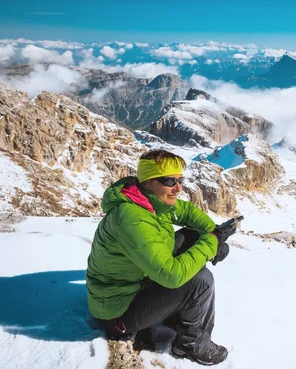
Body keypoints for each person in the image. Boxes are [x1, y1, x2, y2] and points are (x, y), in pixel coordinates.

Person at [86, 149, 236, 365]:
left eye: (179, 180)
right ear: (147, 182)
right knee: (200, 281)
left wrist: (214, 234)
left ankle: (177, 312)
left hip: (135, 286)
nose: (178, 188)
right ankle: (190, 344)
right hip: (117, 315)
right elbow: (171, 276)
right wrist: (211, 242)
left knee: (193, 237)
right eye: (169, 181)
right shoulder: (131, 219)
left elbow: (185, 211)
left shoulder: (147, 199)